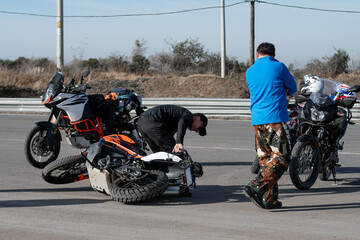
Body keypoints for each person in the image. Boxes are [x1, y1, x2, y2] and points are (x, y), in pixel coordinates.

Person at [244, 42, 297, 209]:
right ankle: (256, 186)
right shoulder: (279, 67)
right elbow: (293, 88)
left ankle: (270, 199)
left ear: (258, 54)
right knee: (282, 158)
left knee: (266, 160)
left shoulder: (250, 71)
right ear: (273, 55)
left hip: (257, 120)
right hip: (274, 119)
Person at [137, 105, 208, 153]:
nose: (198, 130)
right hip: (152, 122)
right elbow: (182, 122)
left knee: (160, 155)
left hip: (142, 123)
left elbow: (167, 137)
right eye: (200, 127)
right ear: (198, 117)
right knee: (175, 153)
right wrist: (179, 142)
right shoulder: (188, 115)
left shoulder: (176, 119)